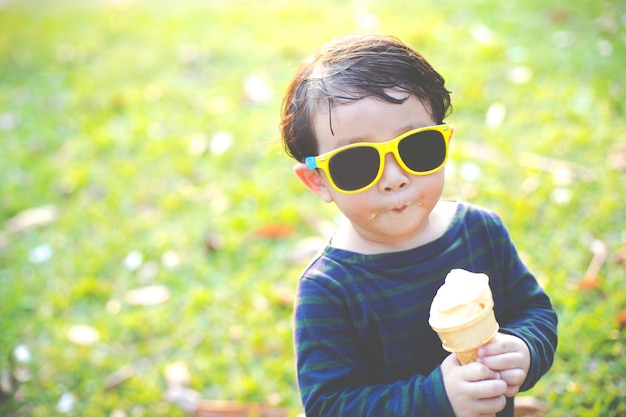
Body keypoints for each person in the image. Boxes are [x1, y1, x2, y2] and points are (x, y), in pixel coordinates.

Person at [279, 34, 558, 417]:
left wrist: (524, 348)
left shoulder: (482, 231)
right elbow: (330, 405)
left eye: (416, 146)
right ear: (319, 181)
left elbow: (534, 311)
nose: (394, 178)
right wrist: (437, 398)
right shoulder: (327, 290)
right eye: (357, 162)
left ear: (445, 143)